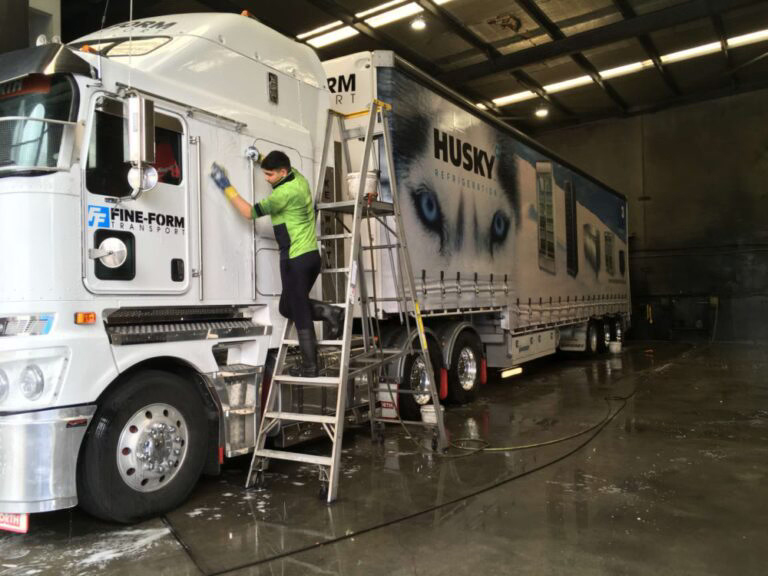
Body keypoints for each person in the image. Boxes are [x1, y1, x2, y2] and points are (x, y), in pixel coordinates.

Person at [210, 151, 344, 377]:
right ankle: (330, 312)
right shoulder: (298, 178)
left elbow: (249, 212)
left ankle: (310, 367)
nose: (266, 179)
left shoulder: (283, 195)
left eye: (270, 175)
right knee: (286, 307)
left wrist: (226, 186)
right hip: (310, 256)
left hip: (295, 258)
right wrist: (261, 157)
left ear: (282, 173)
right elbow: (279, 166)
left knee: (299, 309)